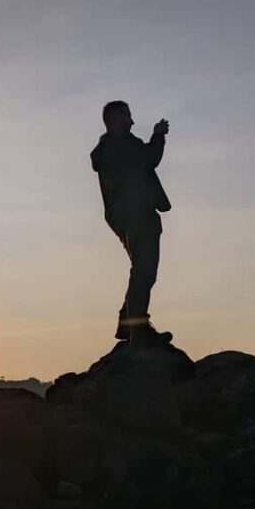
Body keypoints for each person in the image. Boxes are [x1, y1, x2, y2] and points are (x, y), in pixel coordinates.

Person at [90, 100, 173, 347]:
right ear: (115, 119)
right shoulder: (120, 145)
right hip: (136, 215)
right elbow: (149, 159)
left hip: (127, 216)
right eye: (127, 116)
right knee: (145, 270)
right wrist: (158, 136)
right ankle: (138, 330)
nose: (132, 121)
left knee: (142, 269)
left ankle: (130, 327)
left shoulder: (112, 148)